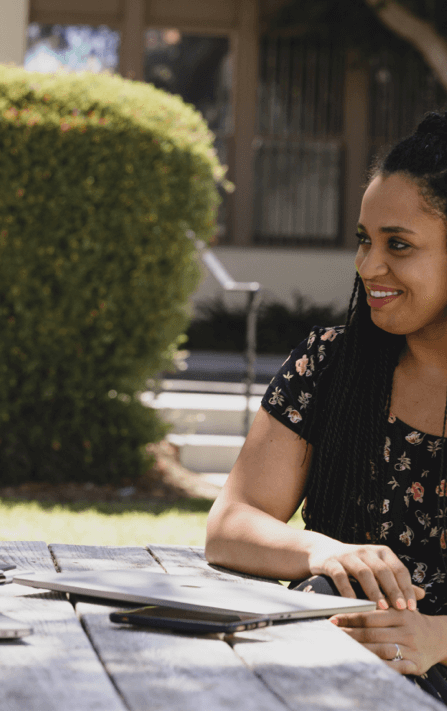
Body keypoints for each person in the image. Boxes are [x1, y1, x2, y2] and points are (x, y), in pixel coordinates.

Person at [205, 112, 447, 703]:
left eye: (400, 245)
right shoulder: (331, 365)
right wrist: (327, 551)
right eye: (365, 240)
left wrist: (434, 638)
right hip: (322, 665)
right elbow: (230, 524)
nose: (368, 266)